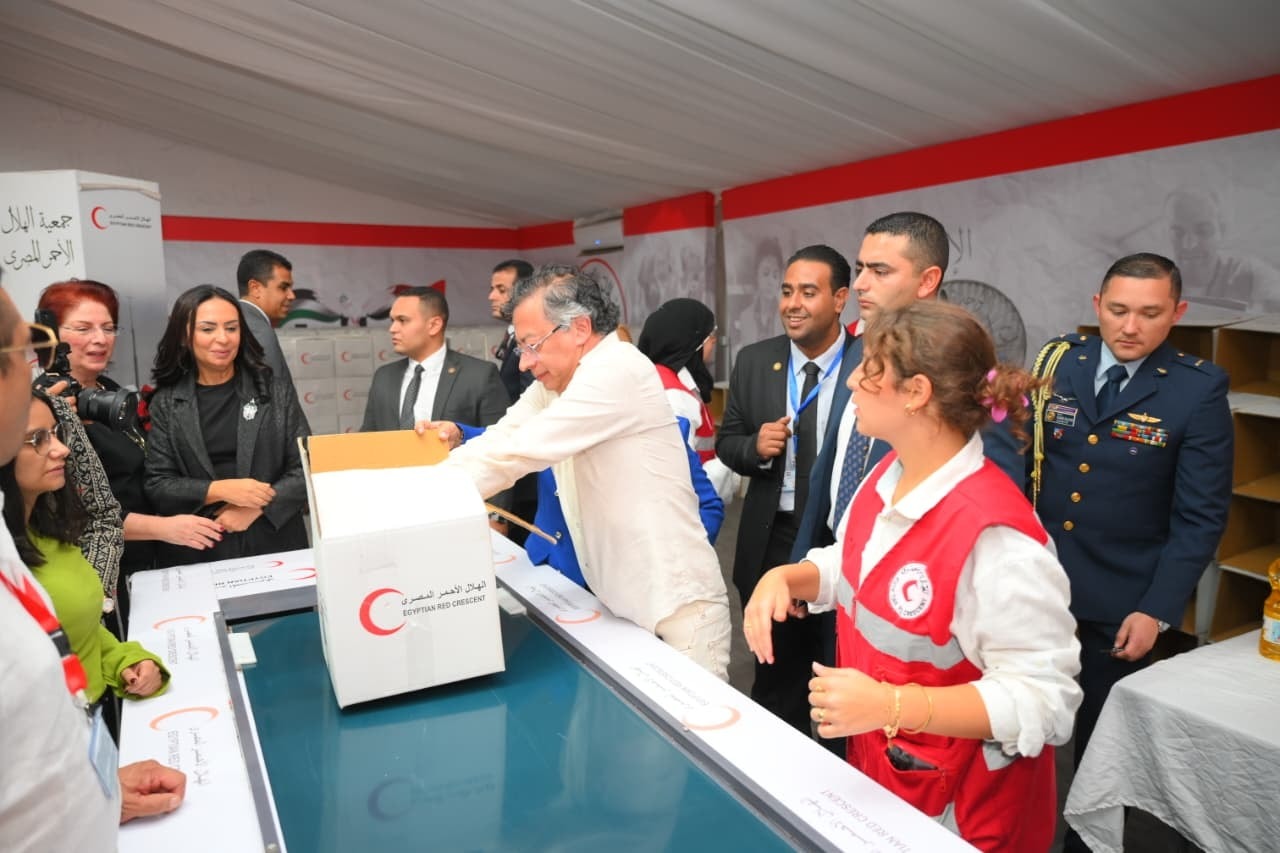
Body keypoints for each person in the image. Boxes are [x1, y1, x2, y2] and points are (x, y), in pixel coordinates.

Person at [745, 301, 1081, 852]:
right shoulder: (887, 474)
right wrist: (787, 577)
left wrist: (892, 706)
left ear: (916, 392)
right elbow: (857, 564)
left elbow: (1046, 701)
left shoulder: (996, 538)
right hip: (889, 783)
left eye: (868, 369)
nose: (850, 380)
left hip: (963, 817)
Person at [424, 268, 731, 678]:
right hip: (621, 601)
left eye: (532, 345)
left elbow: (517, 452)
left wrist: (412, 500)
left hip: (677, 609)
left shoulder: (617, 371)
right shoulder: (556, 385)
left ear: (580, 328)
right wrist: (420, 486)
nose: (525, 362)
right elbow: (502, 437)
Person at [1028, 253, 1232, 851]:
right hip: (1035, 586)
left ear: (1177, 312)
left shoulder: (1197, 389)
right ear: (1097, 305)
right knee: (1018, 729)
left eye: (1150, 313)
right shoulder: (1057, 363)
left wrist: (1157, 609)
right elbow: (1020, 462)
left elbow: (1200, 516)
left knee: (1098, 753)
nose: (1130, 327)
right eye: (1117, 310)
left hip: (1122, 600)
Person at [0, 279, 185, 851]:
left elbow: (75, 639)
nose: (58, 448)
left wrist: (99, 787)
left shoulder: (43, 534)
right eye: (25, 348)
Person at [716, 244, 852, 733]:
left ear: (840, 299)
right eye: (787, 291)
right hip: (773, 538)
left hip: (842, 540)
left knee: (841, 678)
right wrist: (754, 447)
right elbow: (727, 441)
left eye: (808, 293)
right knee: (777, 681)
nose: (793, 304)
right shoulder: (756, 361)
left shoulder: (868, 362)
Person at [37, 281, 224, 617]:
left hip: (151, 561)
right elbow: (73, 515)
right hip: (99, 573)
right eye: (83, 328)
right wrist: (166, 528)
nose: (100, 339)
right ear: (51, 335)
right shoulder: (41, 409)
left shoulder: (110, 393)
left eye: (108, 328)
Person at [2, 389, 169, 738]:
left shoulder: (49, 532)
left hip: (89, 727)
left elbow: (79, 631)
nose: (62, 449)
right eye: (38, 439)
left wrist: (125, 658)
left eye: (56, 433)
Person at [145, 285, 310, 566]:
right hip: (199, 551)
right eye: (208, 329)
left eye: (232, 328)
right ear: (184, 336)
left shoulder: (273, 392)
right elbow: (158, 485)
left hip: (275, 545)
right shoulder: (167, 402)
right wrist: (220, 490)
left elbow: (306, 465)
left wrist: (258, 506)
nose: (223, 339)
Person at [637, 297, 740, 504]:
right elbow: (683, 479)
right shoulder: (676, 397)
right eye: (709, 335)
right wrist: (735, 457)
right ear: (691, 342)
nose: (713, 341)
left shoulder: (657, 379)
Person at [1164, 188, 1280, 312]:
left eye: (1203, 231)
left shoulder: (1250, 273)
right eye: (1178, 233)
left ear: (1222, 231)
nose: (1189, 244)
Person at [488, 259, 538, 541]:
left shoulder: (528, 342)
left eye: (501, 289)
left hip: (528, 479)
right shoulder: (511, 338)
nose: (491, 296)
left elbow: (531, 407)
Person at [236, 249, 297, 383]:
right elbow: (274, 391)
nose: (292, 296)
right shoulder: (258, 331)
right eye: (283, 287)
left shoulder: (236, 321)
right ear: (255, 288)